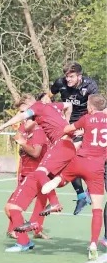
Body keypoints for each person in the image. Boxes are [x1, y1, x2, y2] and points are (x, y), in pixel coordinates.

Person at [29, 94, 106, 260]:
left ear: (91, 108)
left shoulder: (86, 118)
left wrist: (78, 129)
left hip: (80, 160)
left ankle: (57, 181)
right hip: (96, 168)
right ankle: (93, 243)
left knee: (63, 176)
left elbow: (65, 130)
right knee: (97, 209)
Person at [0, 93, 75, 214]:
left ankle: (54, 202)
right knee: (48, 178)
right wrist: (67, 123)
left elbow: (20, 118)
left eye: (23, 110)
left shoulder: (36, 106)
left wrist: (2, 126)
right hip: (68, 144)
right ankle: (39, 221)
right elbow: (69, 105)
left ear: (28, 104)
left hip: (61, 144)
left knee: (40, 173)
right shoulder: (51, 106)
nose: (24, 115)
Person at [47, 62, 98, 214]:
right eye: (67, 76)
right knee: (67, 160)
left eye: (71, 77)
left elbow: (95, 108)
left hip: (83, 125)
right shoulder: (60, 83)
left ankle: (86, 192)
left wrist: (85, 128)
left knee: (84, 159)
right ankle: (82, 195)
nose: (68, 79)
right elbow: (47, 97)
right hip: (66, 125)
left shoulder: (90, 86)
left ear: (79, 76)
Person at [7, 116, 50, 240]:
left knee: (41, 203)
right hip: (28, 173)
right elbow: (27, 150)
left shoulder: (39, 132)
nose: (24, 122)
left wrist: (23, 143)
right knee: (13, 205)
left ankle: (36, 230)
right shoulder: (26, 130)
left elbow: (36, 152)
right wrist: (23, 147)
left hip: (38, 173)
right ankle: (15, 229)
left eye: (27, 119)